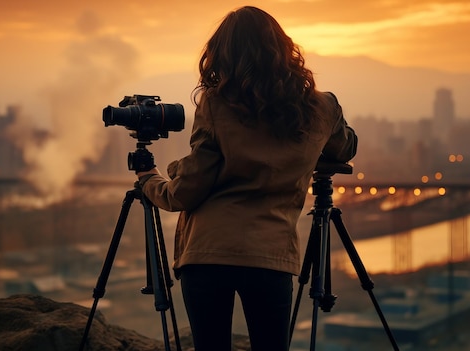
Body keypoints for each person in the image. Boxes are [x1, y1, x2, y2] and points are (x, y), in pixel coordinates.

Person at [136, 6, 357, 351]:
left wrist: (150, 180)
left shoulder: (216, 104)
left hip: (207, 254)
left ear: (222, 54)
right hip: (270, 257)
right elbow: (345, 147)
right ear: (285, 50)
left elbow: (186, 191)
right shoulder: (323, 108)